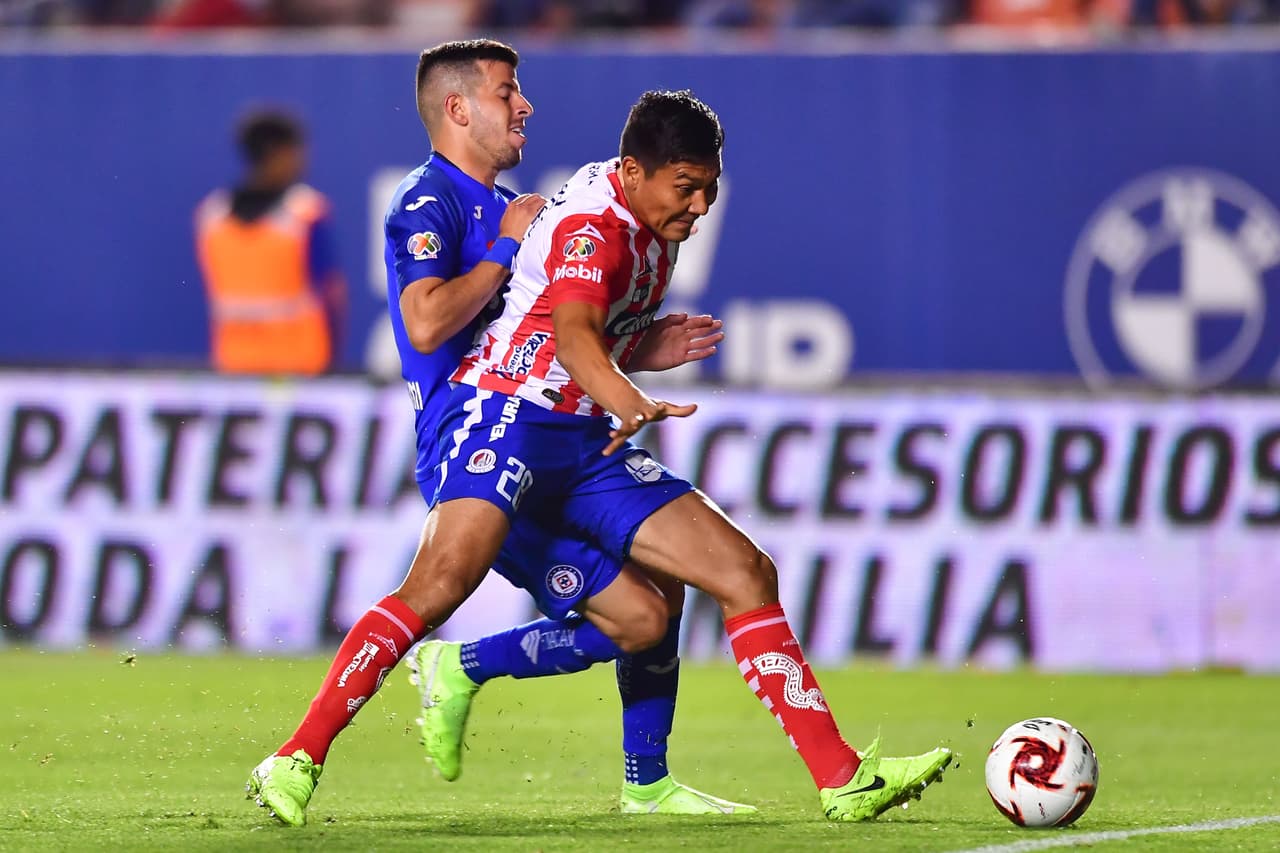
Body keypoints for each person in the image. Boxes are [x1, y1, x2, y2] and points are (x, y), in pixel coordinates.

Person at [395, 88, 954, 822]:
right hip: (518, 433)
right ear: (633, 170)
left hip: (577, 434)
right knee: (644, 615)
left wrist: (637, 353)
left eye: (709, 191)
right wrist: (627, 393)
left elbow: (583, 334)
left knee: (731, 576)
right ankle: (457, 677)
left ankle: (815, 778)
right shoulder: (595, 228)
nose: (697, 207)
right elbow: (571, 338)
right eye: (685, 188)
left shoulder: (647, 217)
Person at [245, 39, 747, 827]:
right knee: (439, 585)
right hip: (470, 427)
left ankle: (610, 760)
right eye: (508, 91)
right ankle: (297, 753)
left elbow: (548, 341)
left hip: (543, 434)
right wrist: (510, 246)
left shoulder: (527, 206)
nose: (526, 106)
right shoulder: (428, 198)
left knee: (646, 616)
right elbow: (425, 317)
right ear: (458, 109)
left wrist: (641, 347)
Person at [195, 109, 347, 375]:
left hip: (234, 365)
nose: (303, 161)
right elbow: (331, 292)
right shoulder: (306, 214)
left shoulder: (211, 216)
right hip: (301, 366)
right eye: (297, 151)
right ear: (279, 153)